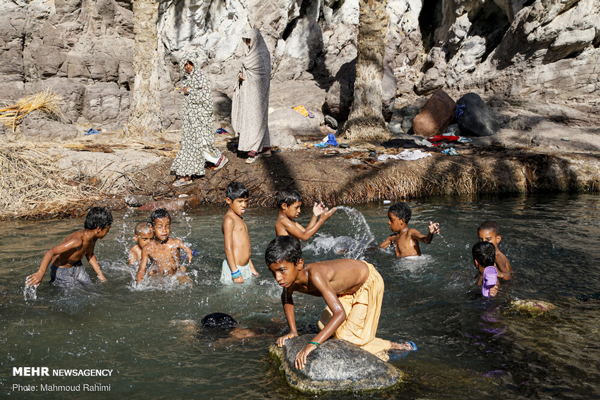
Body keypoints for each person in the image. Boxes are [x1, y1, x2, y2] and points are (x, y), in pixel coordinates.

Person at [266, 236, 416, 369]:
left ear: (299, 264)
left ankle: (395, 347)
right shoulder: (289, 281)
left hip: (367, 283)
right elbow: (286, 297)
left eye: (281, 270)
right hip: (346, 291)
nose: (278, 278)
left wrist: (312, 344)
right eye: (273, 272)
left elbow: (340, 314)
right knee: (324, 326)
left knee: (348, 338)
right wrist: (293, 331)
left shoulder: (315, 276)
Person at [171, 53, 228, 187]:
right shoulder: (186, 79)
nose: (188, 67)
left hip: (200, 119)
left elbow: (205, 96)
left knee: (198, 144)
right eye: (185, 64)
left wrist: (188, 91)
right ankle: (186, 175)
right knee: (191, 144)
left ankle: (217, 159)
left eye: (190, 64)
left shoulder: (200, 77)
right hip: (191, 120)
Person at [26, 207, 113, 287]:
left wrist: (100, 275)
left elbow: (89, 254)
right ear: (98, 229)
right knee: (73, 294)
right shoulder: (77, 241)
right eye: (107, 230)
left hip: (77, 266)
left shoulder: (93, 238)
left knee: (89, 288)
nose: (107, 232)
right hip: (62, 270)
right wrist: (40, 273)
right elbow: (50, 252)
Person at [231, 29, 272, 164]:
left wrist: (247, 74)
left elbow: (263, 73)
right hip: (249, 93)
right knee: (255, 118)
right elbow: (244, 70)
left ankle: (254, 149)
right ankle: (265, 147)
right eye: (247, 41)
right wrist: (240, 76)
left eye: (250, 40)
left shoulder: (263, 54)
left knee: (257, 118)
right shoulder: (251, 54)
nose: (248, 43)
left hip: (258, 93)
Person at [136, 209, 192, 284]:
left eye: (167, 226)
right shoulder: (147, 249)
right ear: (152, 228)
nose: (164, 230)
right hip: (160, 277)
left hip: (177, 275)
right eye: (160, 227)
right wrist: (139, 283)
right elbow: (142, 270)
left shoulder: (175, 243)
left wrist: (189, 253)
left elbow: (187, 249)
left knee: (187, 282)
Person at [221, 182, 259, 284]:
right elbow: (228, 248)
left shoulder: (239, 218)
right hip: (235, 269)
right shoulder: (229, 220)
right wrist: (235, 272)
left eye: (246, 201)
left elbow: (244, 246)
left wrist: (251, 267)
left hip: (245, 267)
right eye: (240, 201)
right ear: (228, 200)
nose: (244, 205)